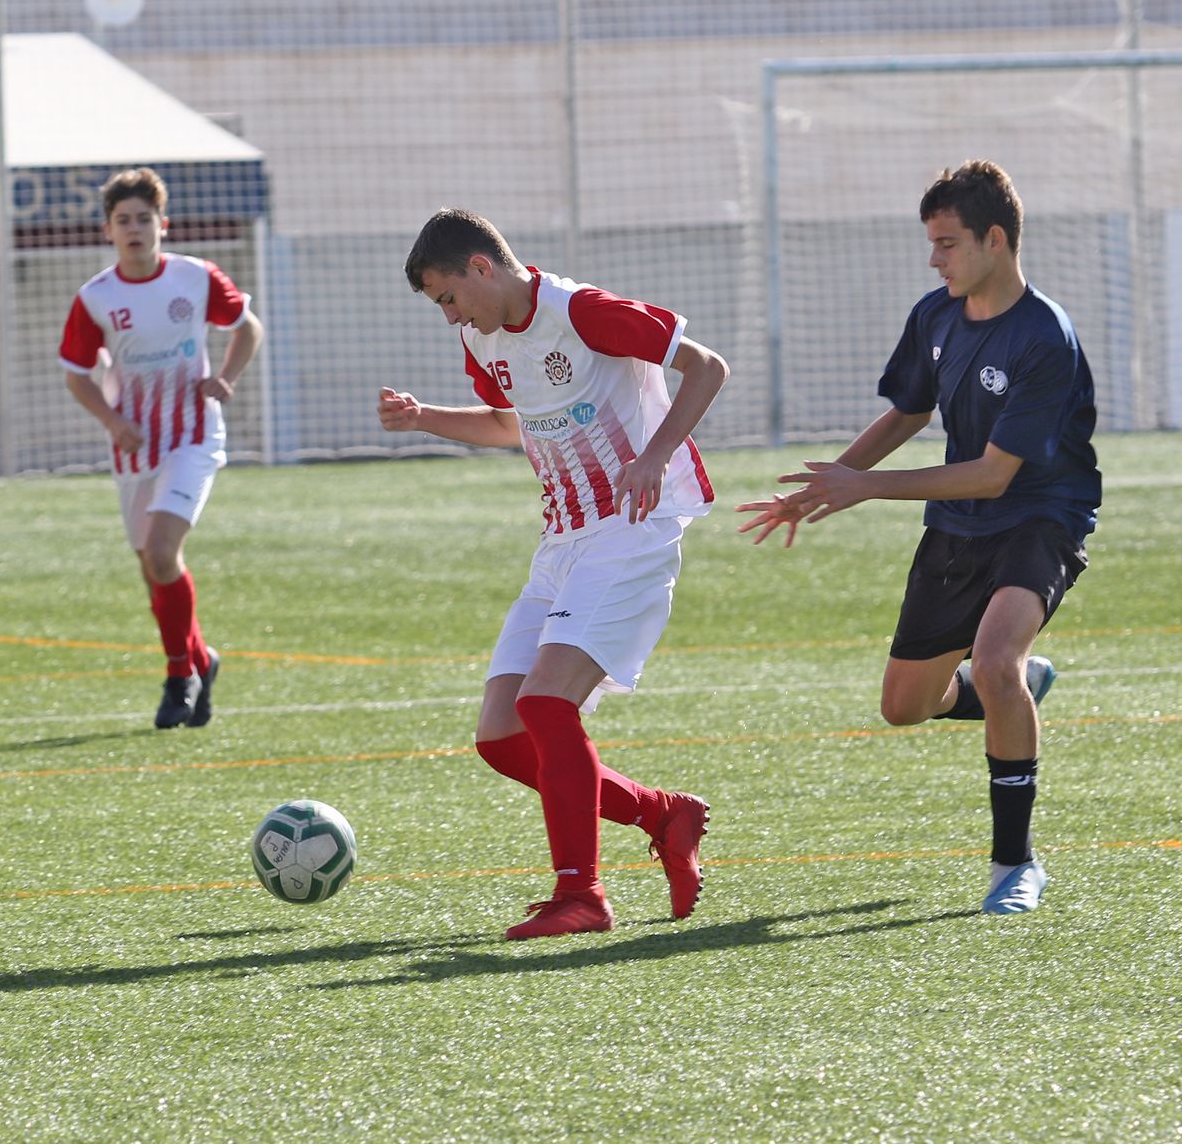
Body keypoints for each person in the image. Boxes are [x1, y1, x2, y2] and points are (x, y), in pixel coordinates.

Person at [737, 160, 1100, 916]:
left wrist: (866, 489)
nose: (934, 259)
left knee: (997, 656)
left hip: (1040, 516)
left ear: (994, 241)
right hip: (957, 527)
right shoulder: (936, 315)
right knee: (905, 705)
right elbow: (907, 412)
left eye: (947, 243)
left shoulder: (1044, 338)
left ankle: (1014, 864)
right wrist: (829, 480)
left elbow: (995, 476)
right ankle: (1013, 692)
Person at [379, 208, 728, 940]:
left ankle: (582, 895)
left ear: (481, 267)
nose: (449, 318)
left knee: (546, 707)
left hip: (630, 531)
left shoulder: (581, 312)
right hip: (563, 543)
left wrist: (656, 454)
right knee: (503, 737)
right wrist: (423, 418)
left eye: (448, 297)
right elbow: (511, 422)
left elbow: (706, 368)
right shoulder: (484, 338)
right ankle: (664, 814)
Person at [58, 167, 265, 729]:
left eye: (143, 219)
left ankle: (180, 675)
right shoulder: (96, 297)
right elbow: (76, 373)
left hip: (193, 436)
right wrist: (111, 419)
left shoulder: (195, 278)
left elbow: (247, 328)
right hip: (134, 446)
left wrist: (226, 377)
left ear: (162, 225)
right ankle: (202, 659)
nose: (134, 229)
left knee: (160, 553)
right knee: (154, 572)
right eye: (123, 220)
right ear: (108, 231)